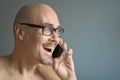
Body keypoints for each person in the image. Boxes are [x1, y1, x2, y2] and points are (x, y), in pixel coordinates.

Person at [0, 3, 77, 80]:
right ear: (20, 32)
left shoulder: (57, 76)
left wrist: (70, 78)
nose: (56, 38)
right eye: (47, 29)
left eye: (58, 30)